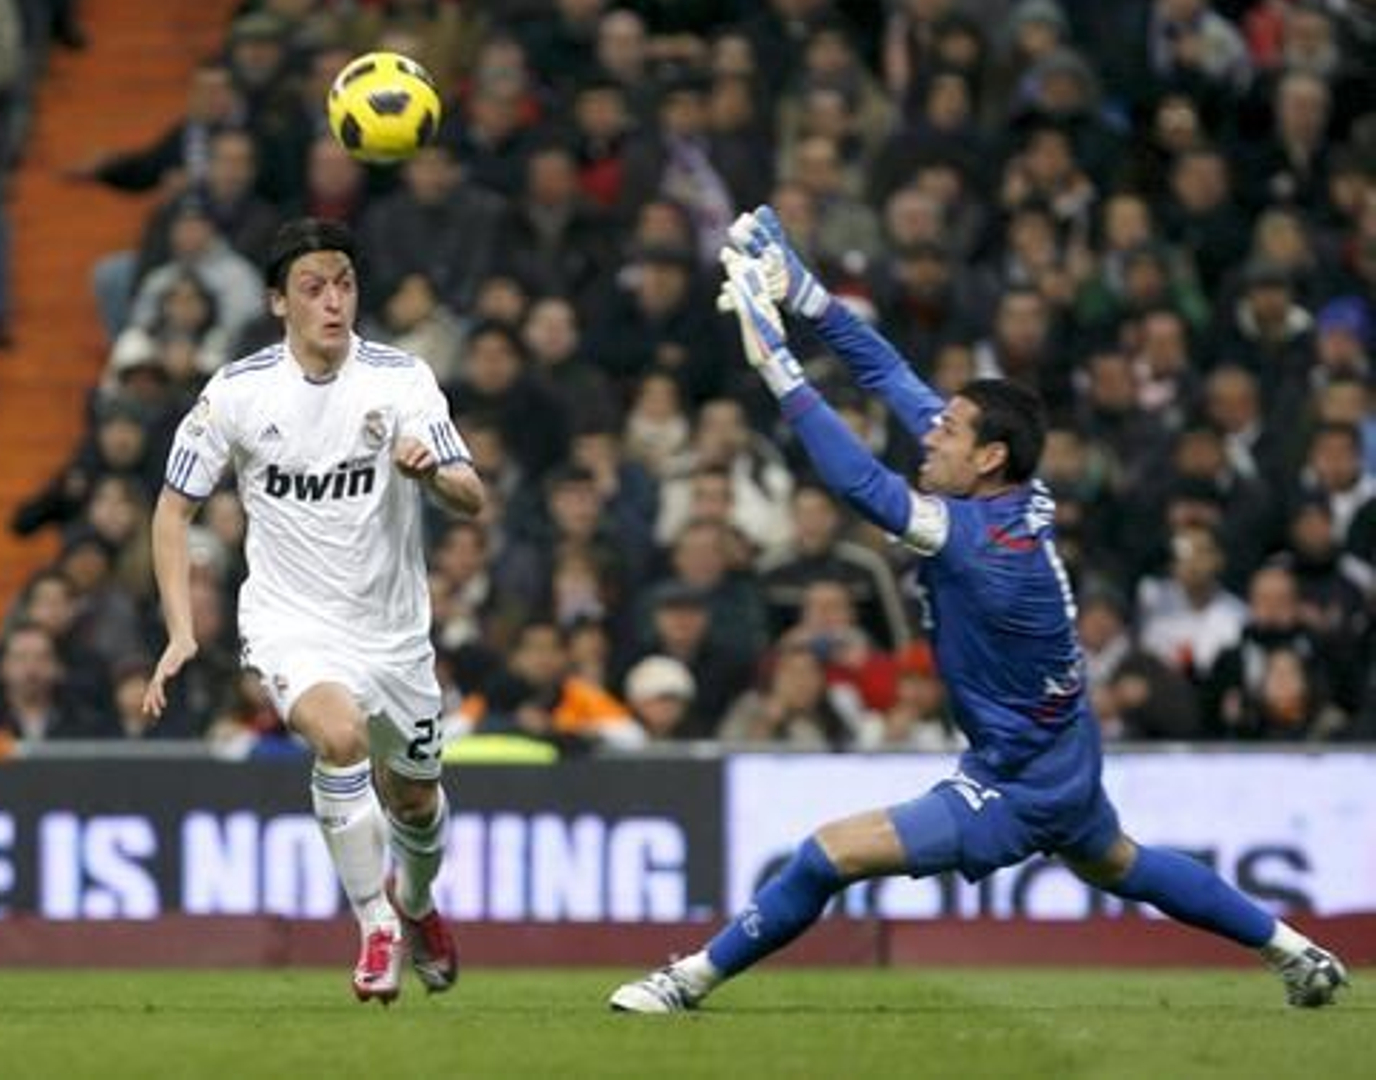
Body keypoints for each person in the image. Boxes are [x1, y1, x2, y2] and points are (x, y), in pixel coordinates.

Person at [609, 207, 1349, 1014]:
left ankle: (685, 982)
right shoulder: (1008, 492)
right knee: (1119, 862)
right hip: (1062, 744)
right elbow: (889, 377)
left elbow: (862, 484)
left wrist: (778, 366)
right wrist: (808, 295)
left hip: (1021, 777)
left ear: (987, 455)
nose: (931, 437)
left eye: (950, 431)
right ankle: (1295, 949)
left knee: (825, 855)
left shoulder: (974, 540)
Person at [142, 218, 485, 1005]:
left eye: (344, 284)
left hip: (394, 631)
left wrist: (434, 473)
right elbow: (171, 511)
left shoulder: (402, 380)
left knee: (416, 802)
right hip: (292, 620)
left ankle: (418, 902)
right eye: (313, 287)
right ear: (277, 302)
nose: (334, 302)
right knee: (338, 737)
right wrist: (181, 630)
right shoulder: (237, 392)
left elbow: (473, 495)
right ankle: (375, 924)